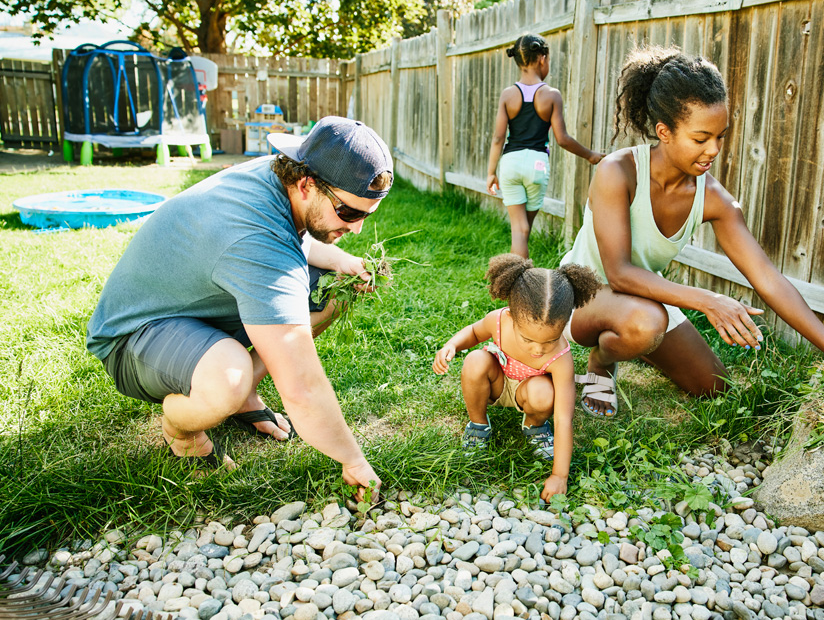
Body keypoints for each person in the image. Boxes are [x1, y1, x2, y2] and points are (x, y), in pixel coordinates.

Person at [561, 46, 824, 417]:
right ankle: (603, 361)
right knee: (647, 323)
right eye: (701, 138)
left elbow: (768, 278)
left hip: (643, 301)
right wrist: (707, 300)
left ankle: (632, 340)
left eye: (720, 137)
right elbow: (619, 273)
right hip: (582, 295)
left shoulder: (715, 200)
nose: (714, 150)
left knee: (715, 387)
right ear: (664, 132)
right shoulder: (617, 172)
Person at [86, 116, 389, 499]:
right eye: (348, 213)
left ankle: (244, 396)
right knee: (228, 377)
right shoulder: (256, 241)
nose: (358, 227)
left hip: (195, 303)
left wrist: (341, 260)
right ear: (307, 184)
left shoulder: (280, 182)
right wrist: (353, 461)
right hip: (133, 336)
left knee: (334, 289)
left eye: (366, 214)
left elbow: (296, 239)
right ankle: (183, 431)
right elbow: (302, 388)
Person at [433, 254, 601, 500]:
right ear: (511, 318)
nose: (537, 349)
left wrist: (559, 476)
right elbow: (473, 331)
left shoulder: (561, 359)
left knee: (544, 394)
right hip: (497, 383)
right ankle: (478, 425)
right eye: (528, 339)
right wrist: (452, 345)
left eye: (550, 340)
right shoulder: (499, 321)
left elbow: (564, 419)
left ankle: (535, 427)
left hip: (529, 392)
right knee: (475, 360)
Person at [487, 34, 605, 259]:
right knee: (524, 231)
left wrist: (491, 172)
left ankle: (511, 282)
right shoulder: (551, 95)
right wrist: (590, 155)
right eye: (548, 60)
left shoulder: (508, 95)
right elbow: (562, 139)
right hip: (537, 165)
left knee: (519, 231)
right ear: (542, 58)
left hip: (510, 164)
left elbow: (497, 138)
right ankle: (519, 285)